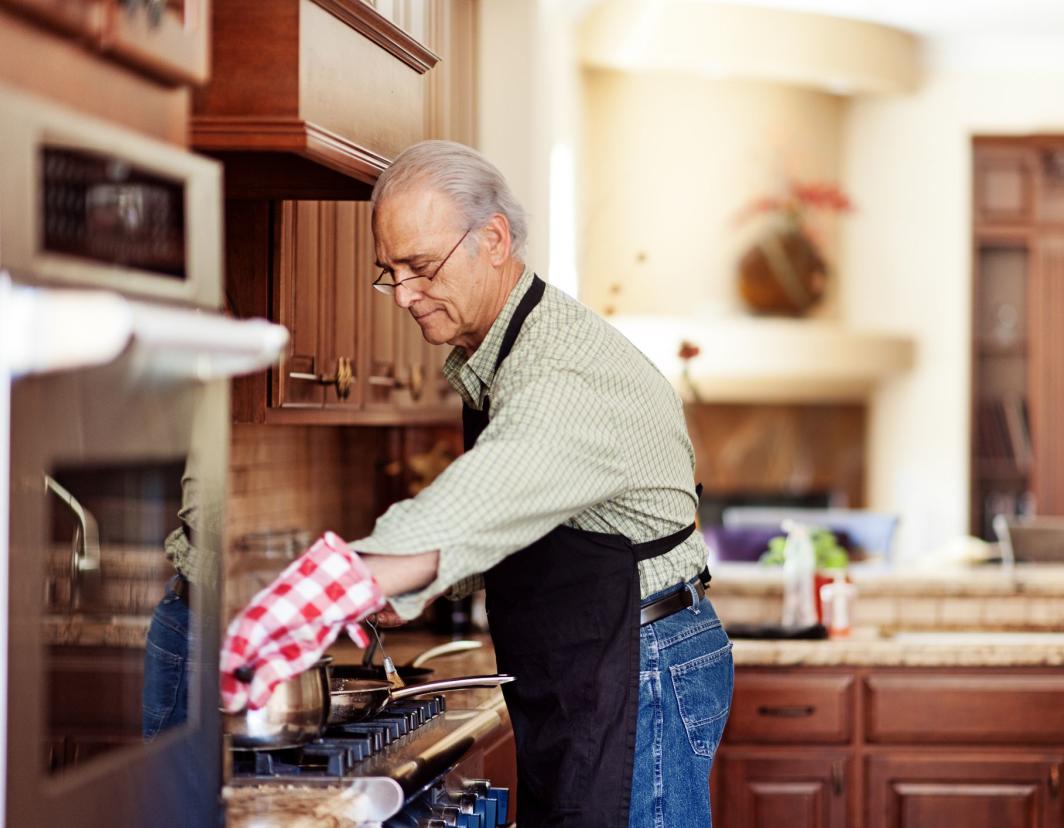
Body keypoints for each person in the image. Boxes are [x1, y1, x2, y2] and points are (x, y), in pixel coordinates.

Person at [225, 140, 733, 828]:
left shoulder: (561, 372)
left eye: (421, 267)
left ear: (493, 240)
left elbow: (488, 493)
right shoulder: (506, 352)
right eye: (390, 273)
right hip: (598, 657)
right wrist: (415, 589)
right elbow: (537, 517)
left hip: (639, 666)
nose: (403, 295)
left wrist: (325, 591)